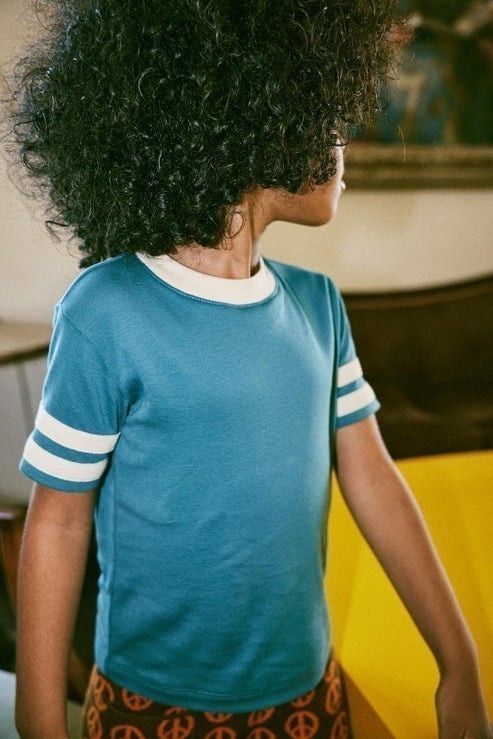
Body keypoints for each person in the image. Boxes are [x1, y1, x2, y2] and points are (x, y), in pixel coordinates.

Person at [7, 1, 492, 737]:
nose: (343, 140)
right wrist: (40, 721)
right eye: (327, 115)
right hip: (149, 702)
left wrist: (458, 662)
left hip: (306, 694)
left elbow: (376, 484)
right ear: (258, 122)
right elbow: (58, 521)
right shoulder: (106, 311)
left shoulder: (318, 307)